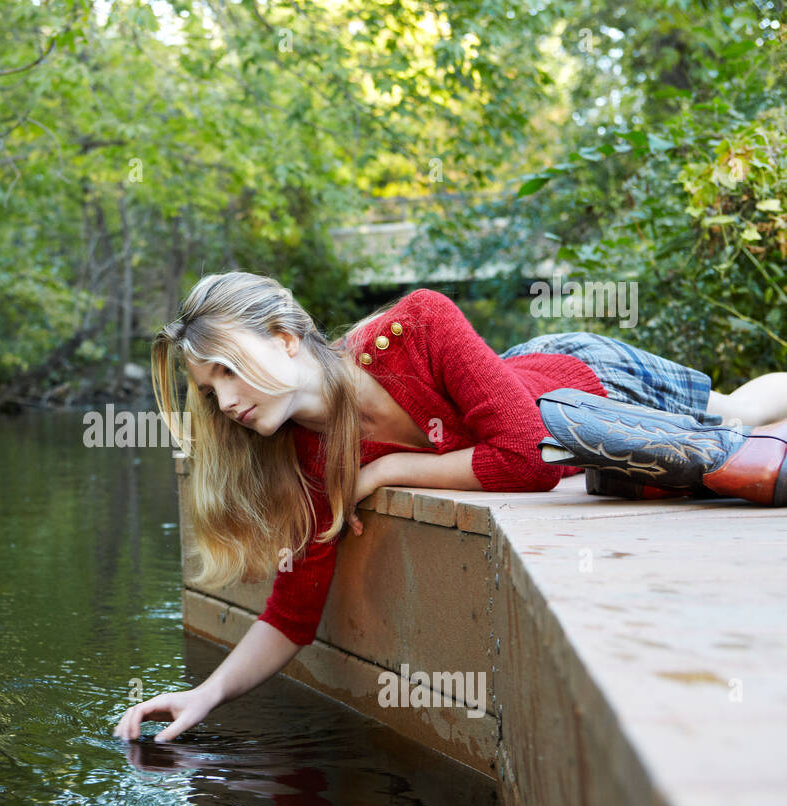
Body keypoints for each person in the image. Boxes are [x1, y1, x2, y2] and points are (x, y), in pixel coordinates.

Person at [112, 271, 787, 743]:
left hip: (581, 385)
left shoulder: (418, 325)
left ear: (286, 337)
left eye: (228, 370)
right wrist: (205, 695)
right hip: (565, 434)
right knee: (728, 438)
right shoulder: (308, 461)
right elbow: (292, 613)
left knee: (738, 411)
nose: (225, 402)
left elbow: (526, 460)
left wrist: (389, 469)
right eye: (209, 389)